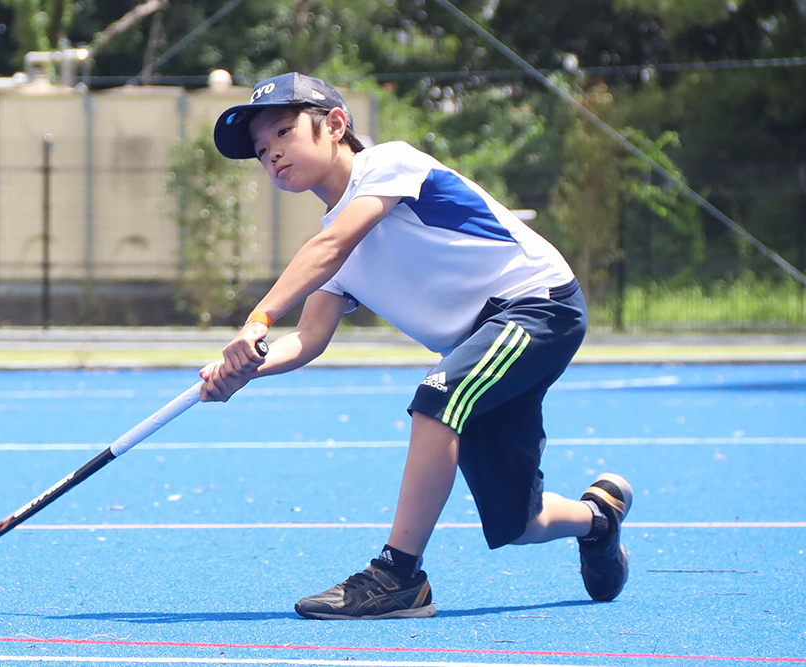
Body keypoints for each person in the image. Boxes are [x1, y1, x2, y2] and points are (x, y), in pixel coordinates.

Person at [201, 72, 632, 620]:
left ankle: (397, 576)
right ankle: (598, 520)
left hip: (538, 304)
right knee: (515, 522)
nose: (272, 154)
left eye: (283, 131)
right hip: (485, 339)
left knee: (437, 398)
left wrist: (257, 317)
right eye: (262, 150)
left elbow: (331, 246)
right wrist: (245, 371)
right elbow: (309, 339)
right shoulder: (336, 243)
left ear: (335, 124)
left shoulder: (388, 165)